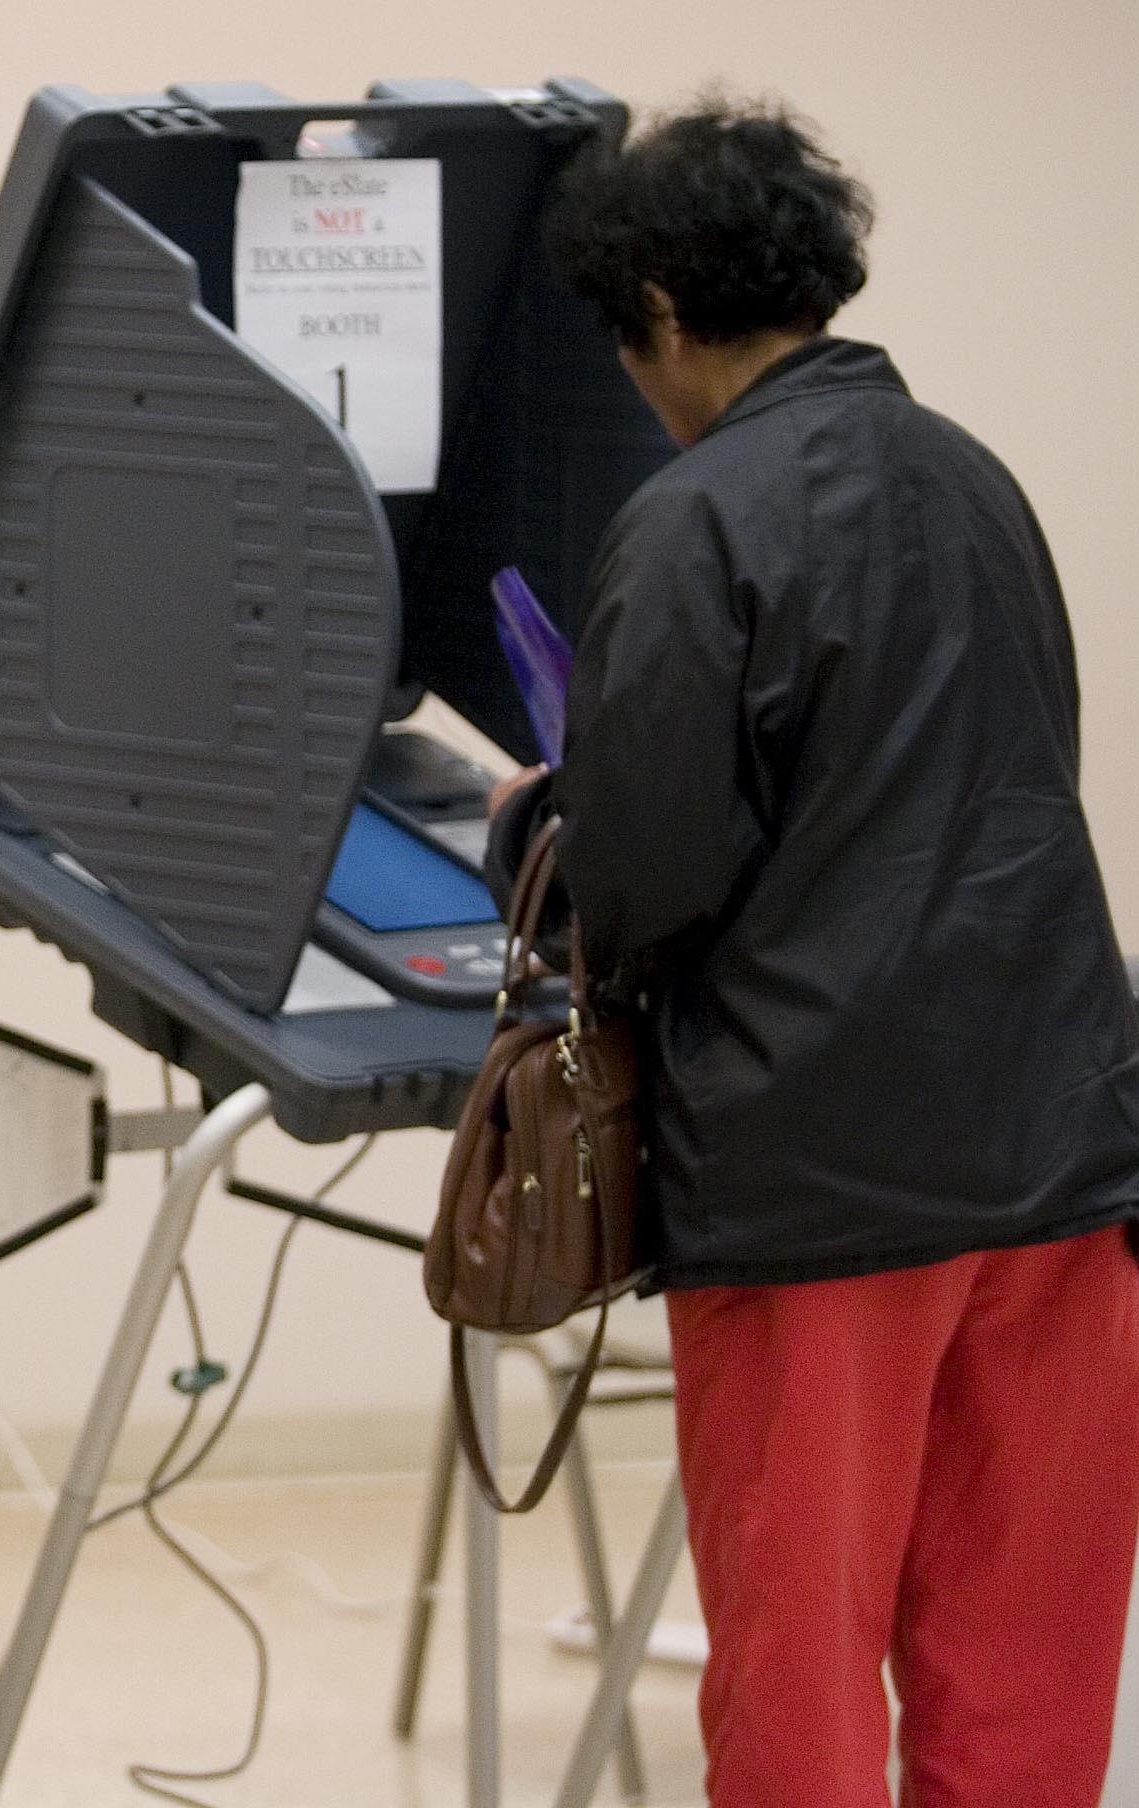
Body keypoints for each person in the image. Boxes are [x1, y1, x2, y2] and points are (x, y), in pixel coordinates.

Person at [493, 100, 1139, 1807]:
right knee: (1022, 1672)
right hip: (1069, 1158)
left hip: (822, 1187)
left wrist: (533, 829)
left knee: (802, 1686)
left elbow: (642, 885)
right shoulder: (974, 475)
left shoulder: (698, 524)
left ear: (662, 307)